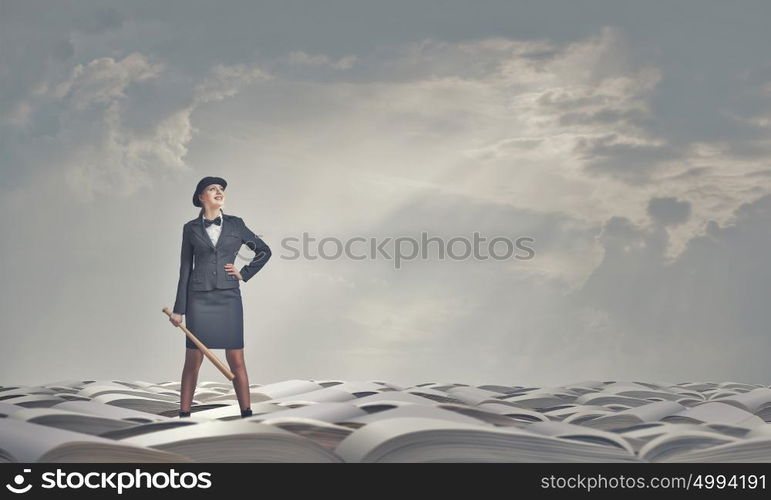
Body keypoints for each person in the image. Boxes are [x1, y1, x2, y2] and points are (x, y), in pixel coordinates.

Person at [168, 176, 272, 418]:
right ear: (200, 197)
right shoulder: (190, 228)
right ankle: (184, 415)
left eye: (221, 189)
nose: (219, 191)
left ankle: (247, 413)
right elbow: (185, 268)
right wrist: (178, 309)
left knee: (236, 358)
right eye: (212, 188)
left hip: (228, 297)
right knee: (193, 359)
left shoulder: (237, 224)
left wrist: (243, 273)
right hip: (198, 299)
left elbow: (264, 251)